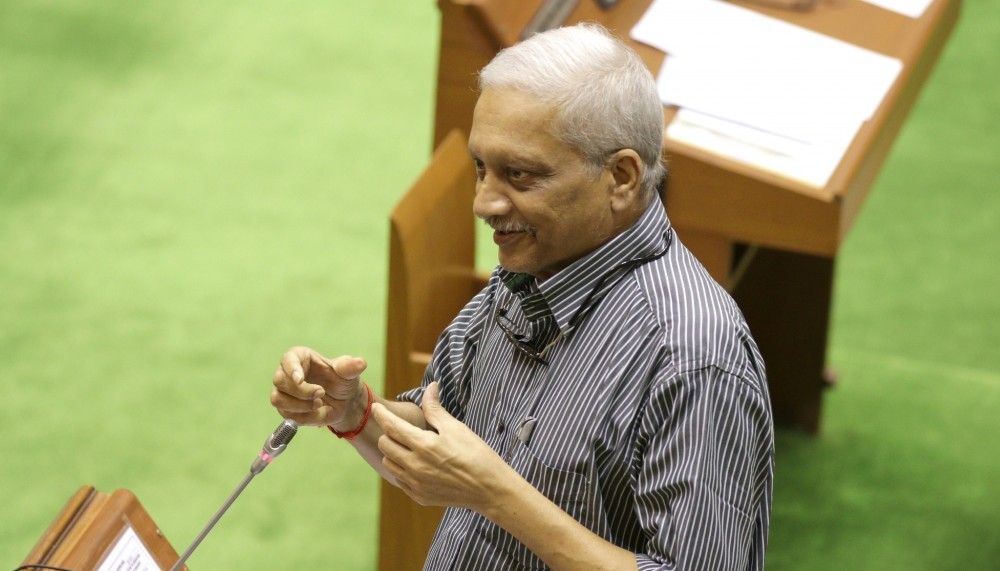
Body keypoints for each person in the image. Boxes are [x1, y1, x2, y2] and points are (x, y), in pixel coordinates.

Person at [270, 22, 773, 571]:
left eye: (520, 175)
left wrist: (496, 495)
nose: (484, 203)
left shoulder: (695, 358)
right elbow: (445, 444)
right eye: (482, 168)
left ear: (622, 178)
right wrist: (356, 411)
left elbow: (480, 480)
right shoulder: (528, 272)